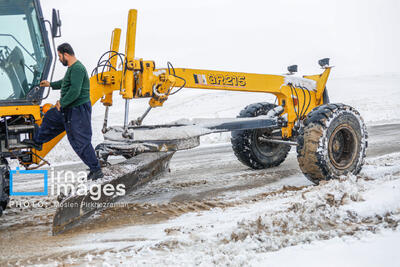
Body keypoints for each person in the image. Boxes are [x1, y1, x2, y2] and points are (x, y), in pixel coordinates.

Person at [23, 43, 103, 180]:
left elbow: (75, 91)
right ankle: (38, 141)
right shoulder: (72, 69)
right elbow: (66, 82)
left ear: (66, 54)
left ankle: (96, 170)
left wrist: (62, 102)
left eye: (60, 56)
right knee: (50, 116)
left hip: (78, 110)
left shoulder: (78, 68)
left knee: (80, 141)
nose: (59, 59)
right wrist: (50, 84)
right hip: (69, 108)